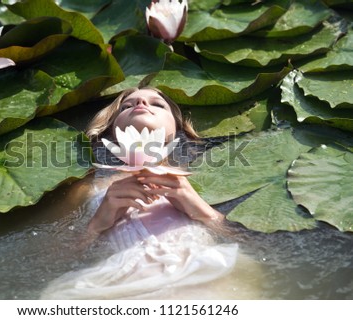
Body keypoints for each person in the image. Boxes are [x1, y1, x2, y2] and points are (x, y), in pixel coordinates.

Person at [40, 87, 262, 299]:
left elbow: (255, 245)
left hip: (207, 277)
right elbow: (50, 259)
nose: (141, 103)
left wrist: (199, 208)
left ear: (178, 129)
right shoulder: (90, 188)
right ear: (111, 130)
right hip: (123, 289)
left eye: (157, 104)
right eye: (127, 106)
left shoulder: (197, 179)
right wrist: (97, 223)